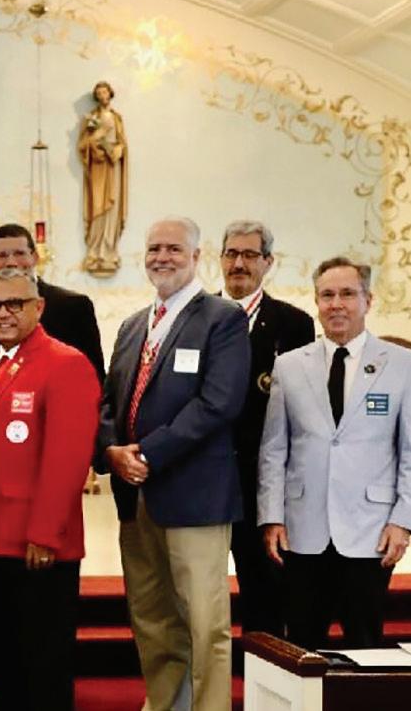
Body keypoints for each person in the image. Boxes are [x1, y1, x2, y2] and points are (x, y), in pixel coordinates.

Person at [98, 217, 249, 711]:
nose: (161, 257)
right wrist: (112, 451)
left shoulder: (222, 319)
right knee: (152, 617)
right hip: (135, 495)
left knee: (205, 623)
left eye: (173, 249)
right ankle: (165, 705)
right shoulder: (132, 326)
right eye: (154, 248)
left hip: (194, 495)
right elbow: (109, 401)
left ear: (196, 257)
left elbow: (219, 403)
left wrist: (148, 452)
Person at [258, 257, 411, 649]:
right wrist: (271, 516)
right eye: (327, 295)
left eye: (347, 294)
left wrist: (403, 521)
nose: (336, 304)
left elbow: (410, 452)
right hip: (302, 530)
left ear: (368, 300)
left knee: (365, 645)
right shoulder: (289, 366)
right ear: (316, 302)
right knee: (301, 645)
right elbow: (274, 449)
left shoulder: (402, 365)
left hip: (370, 531)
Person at [0, 269, 99, 711]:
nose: (2, 313)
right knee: (7, 661)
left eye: (14, 304)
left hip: (35, 544)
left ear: (38, 308)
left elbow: (67, 459)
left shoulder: (65, 363)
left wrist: (44, 534)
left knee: (42, 665)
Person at [217, 221, 314, 640]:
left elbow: (301, 409)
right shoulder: (197, 316)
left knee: (265, 591)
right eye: (231, 254)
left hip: (262, 482)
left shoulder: (293, 324)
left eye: (250, 255)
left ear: (268, 262)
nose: (239, 263)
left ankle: (263, 673)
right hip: (205, 479)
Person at [0, 224, 105, 382]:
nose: (11, 262)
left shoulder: (73, 307)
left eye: (19, 253)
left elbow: (95, 376)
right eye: (2, 255)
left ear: (35, 257)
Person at [78, 80, 128, 276]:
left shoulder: (116, 118)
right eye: (98, 93)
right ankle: (95, 251)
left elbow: (122, 143)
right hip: (98, 168)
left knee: (112, 209)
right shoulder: (92, 118)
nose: (102, 96)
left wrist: (118, 149)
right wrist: (97, 137)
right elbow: (83, 145)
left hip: (113, 167)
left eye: (104, 92)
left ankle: (109, 250)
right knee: (98, 206)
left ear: (110, 93)